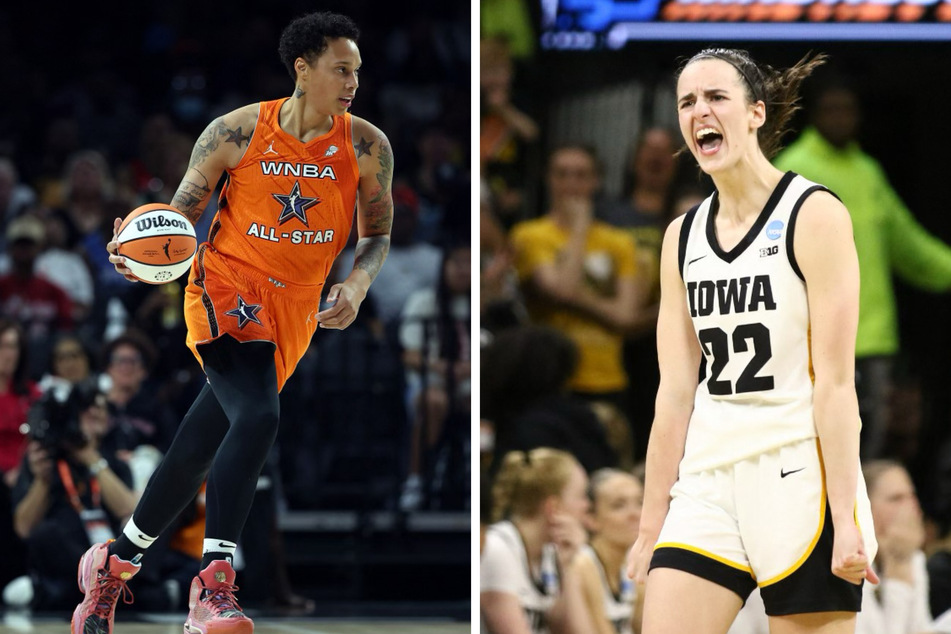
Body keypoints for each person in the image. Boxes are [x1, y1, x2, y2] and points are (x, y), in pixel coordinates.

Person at [70, 11, 393, 634]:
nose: (354, 81)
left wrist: (356, 282)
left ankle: (114, 563)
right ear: (303, 68)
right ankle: (214, 585)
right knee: (260, 415)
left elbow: (376, 234)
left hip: (294, 308)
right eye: (341, 68)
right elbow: (180, 215)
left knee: (202, 442)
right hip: (227, 287)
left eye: (357, 70)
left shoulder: (366, 145)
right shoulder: (236, 131)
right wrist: (138, 252)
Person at [626, 48, 879, 634]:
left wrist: (847, 516)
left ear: (756, 113)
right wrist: (649, 525)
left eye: (717, 97)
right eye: (687, 101)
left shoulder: (812, 214)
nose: (700, 112)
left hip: (797, 471)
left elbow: (838, 385)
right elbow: (674, 395)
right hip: (709, 476)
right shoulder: (681, 237)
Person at [774, 80, 951, 461]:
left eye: (848, 109)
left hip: (871, 338)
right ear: (815, 114)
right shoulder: (790, 169)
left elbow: (909, 246)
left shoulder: (868, 171)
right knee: (814, 450)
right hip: (811, 339)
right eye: (831, 109)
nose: (841, 118)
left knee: (866, 450)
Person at [510, 144, 642, 422]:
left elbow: (627, 316)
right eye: (562, 174)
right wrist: (580, 228)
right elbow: (560, 290)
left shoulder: (620, 242)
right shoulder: (529, 235)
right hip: (550, 380)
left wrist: (575, 301)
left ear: (595, 181)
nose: (571, 183)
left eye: (581, 175)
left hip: (608, 380)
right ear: (549, 179)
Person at [481, 447, 596, 634]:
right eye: (582, 496)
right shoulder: (498, 549)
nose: (587, 506)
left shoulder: (551, 553)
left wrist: (569, 566)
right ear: (554, 507)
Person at [398, 242, 471, 510]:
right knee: (434, 402)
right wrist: (442, 367)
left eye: (469, 263)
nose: (464, 271)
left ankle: (469, 478)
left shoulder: (476, 305)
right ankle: (418, 478)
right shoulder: (423, 301)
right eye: (458, 263)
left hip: (467, 381)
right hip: (430, 379)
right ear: (444, 267)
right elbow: (410, 355)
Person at [577, 469, 644, 634]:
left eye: (640, 502)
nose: (635, 514)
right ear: (591, 518)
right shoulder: (582, 565)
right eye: (618, 506)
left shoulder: (632, 562)